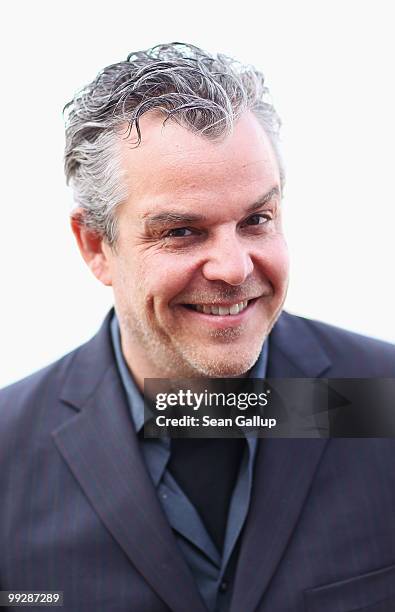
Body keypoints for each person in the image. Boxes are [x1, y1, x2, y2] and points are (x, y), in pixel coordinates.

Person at [1, 43, 395, 612]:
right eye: (182, 231)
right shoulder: (10, 456)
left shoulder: (379, 403)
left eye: (256, 219)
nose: (234, 268)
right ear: (95, 246)